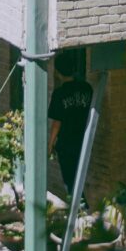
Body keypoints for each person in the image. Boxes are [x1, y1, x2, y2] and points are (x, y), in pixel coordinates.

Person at [48, 51, 93, 195]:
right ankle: (80, 208)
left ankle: (80, 209)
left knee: (70, 179)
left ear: (58, 72)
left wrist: (50, 145)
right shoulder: (87, 88)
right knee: (79, 176)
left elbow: (57, 123)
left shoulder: (59, 94)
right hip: (83, 140)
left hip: (66, 144)